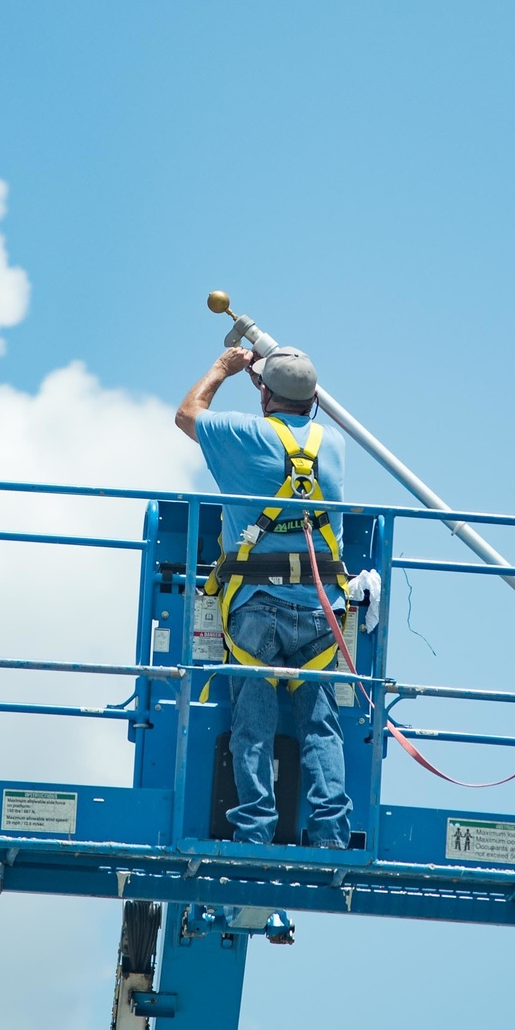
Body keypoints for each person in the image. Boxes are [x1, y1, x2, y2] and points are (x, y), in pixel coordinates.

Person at [175, 344, 352, 849]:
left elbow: (188, 414)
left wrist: (224, 369)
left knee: (252, 728)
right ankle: (330, 835)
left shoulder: (245, 434)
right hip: (321, 613)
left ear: (265, 394)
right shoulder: (333, 444)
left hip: (257, 606)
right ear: (313, 398)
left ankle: (253, 831)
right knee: (322, 729)